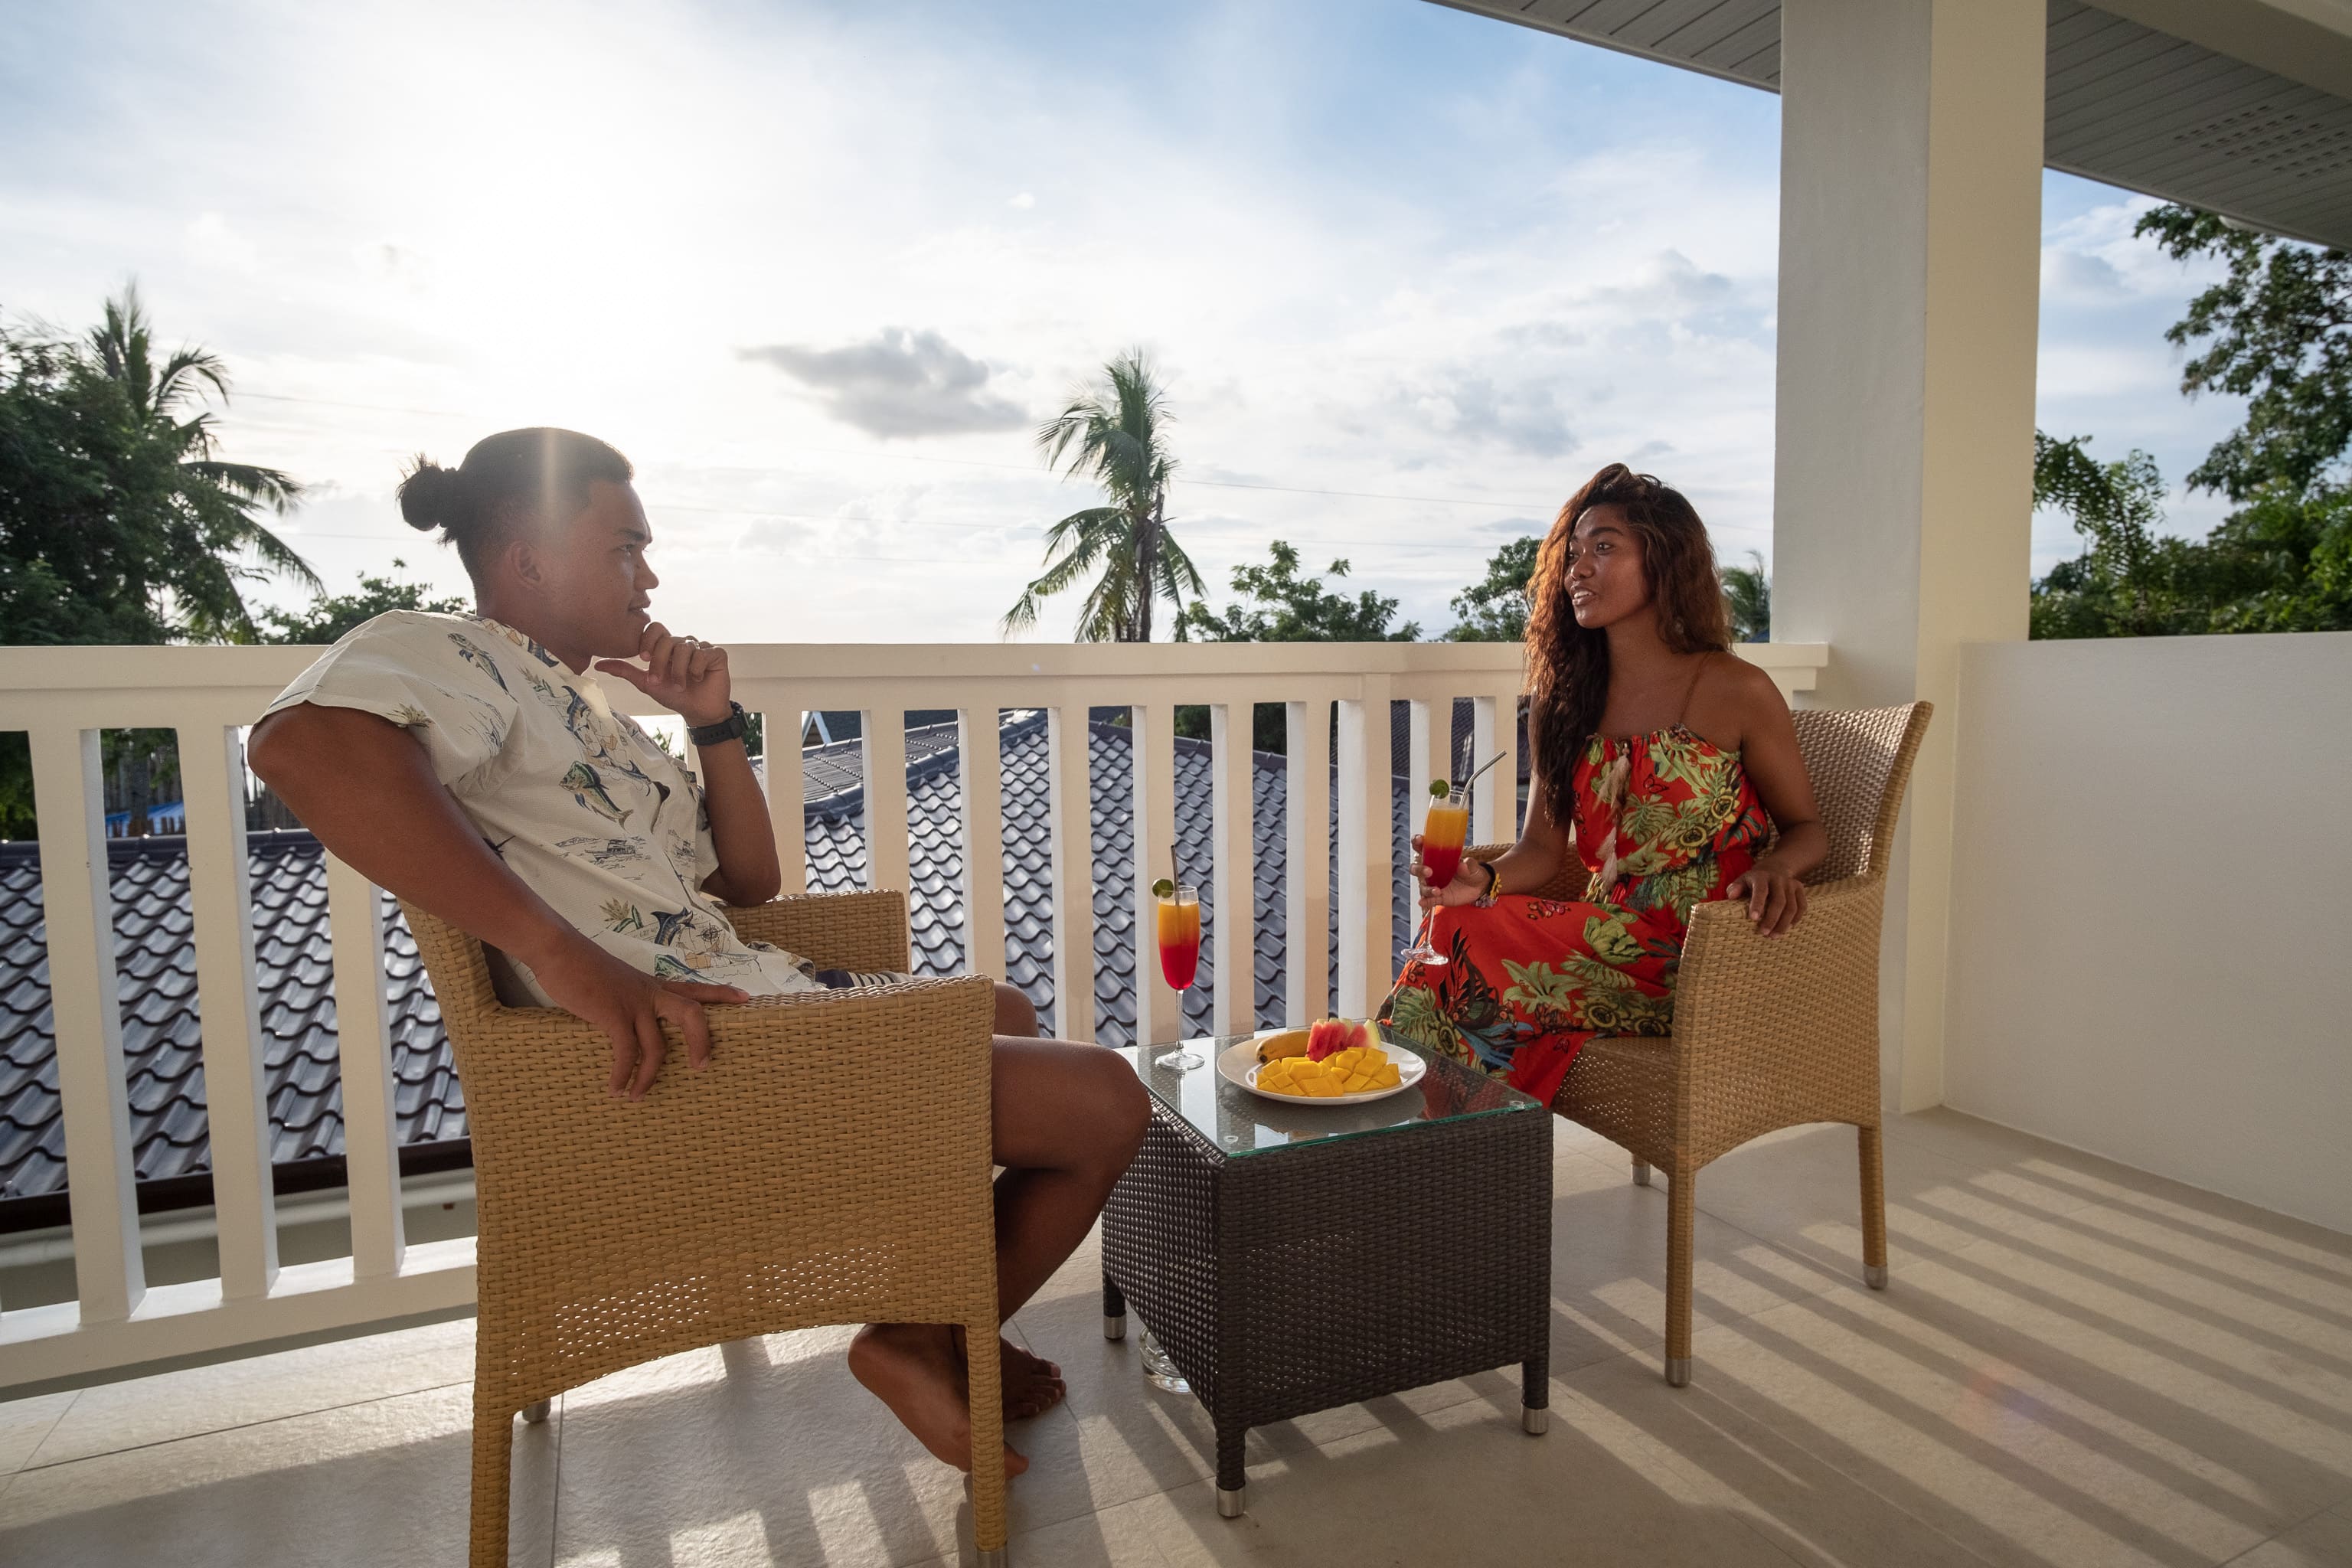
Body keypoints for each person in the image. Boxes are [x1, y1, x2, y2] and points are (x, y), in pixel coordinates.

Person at [247, 426, 1149, 1480]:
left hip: (752, 997)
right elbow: (297, 744)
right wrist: (561, 953)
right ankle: (916, 1335)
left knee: (1005, 1013)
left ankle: (945, 1309)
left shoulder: (584, 708)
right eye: (625, 547)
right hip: (706, 1049)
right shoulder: (457, 655)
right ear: (526, 557)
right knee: (1106, 1102)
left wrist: (712, 725)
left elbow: (750, 885)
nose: (651, 575)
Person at [1381, 462, 1825, 1103]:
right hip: (1603, 940)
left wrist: (1778, 868)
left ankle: (1395, 1136)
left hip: (1707, 954)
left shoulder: (1734, 688)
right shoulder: (1565, 706)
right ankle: (1434, 1145)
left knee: (1459, 947)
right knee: (1458, 923)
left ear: (1665, 562)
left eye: (1606, 547)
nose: (1579, 569)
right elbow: (1539, 850)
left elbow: (1809, 829)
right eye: (1574, 553)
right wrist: (1484, 879)